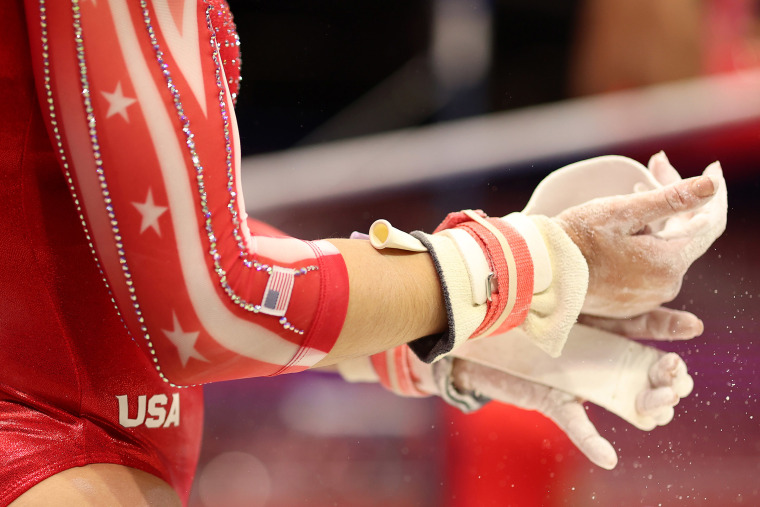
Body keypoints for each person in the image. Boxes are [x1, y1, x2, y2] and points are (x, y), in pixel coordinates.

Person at [0, 0, 724, 505]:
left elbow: (144, 246)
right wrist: (531, 263)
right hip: (40, 441)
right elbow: (210, 303)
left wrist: (443, 334)